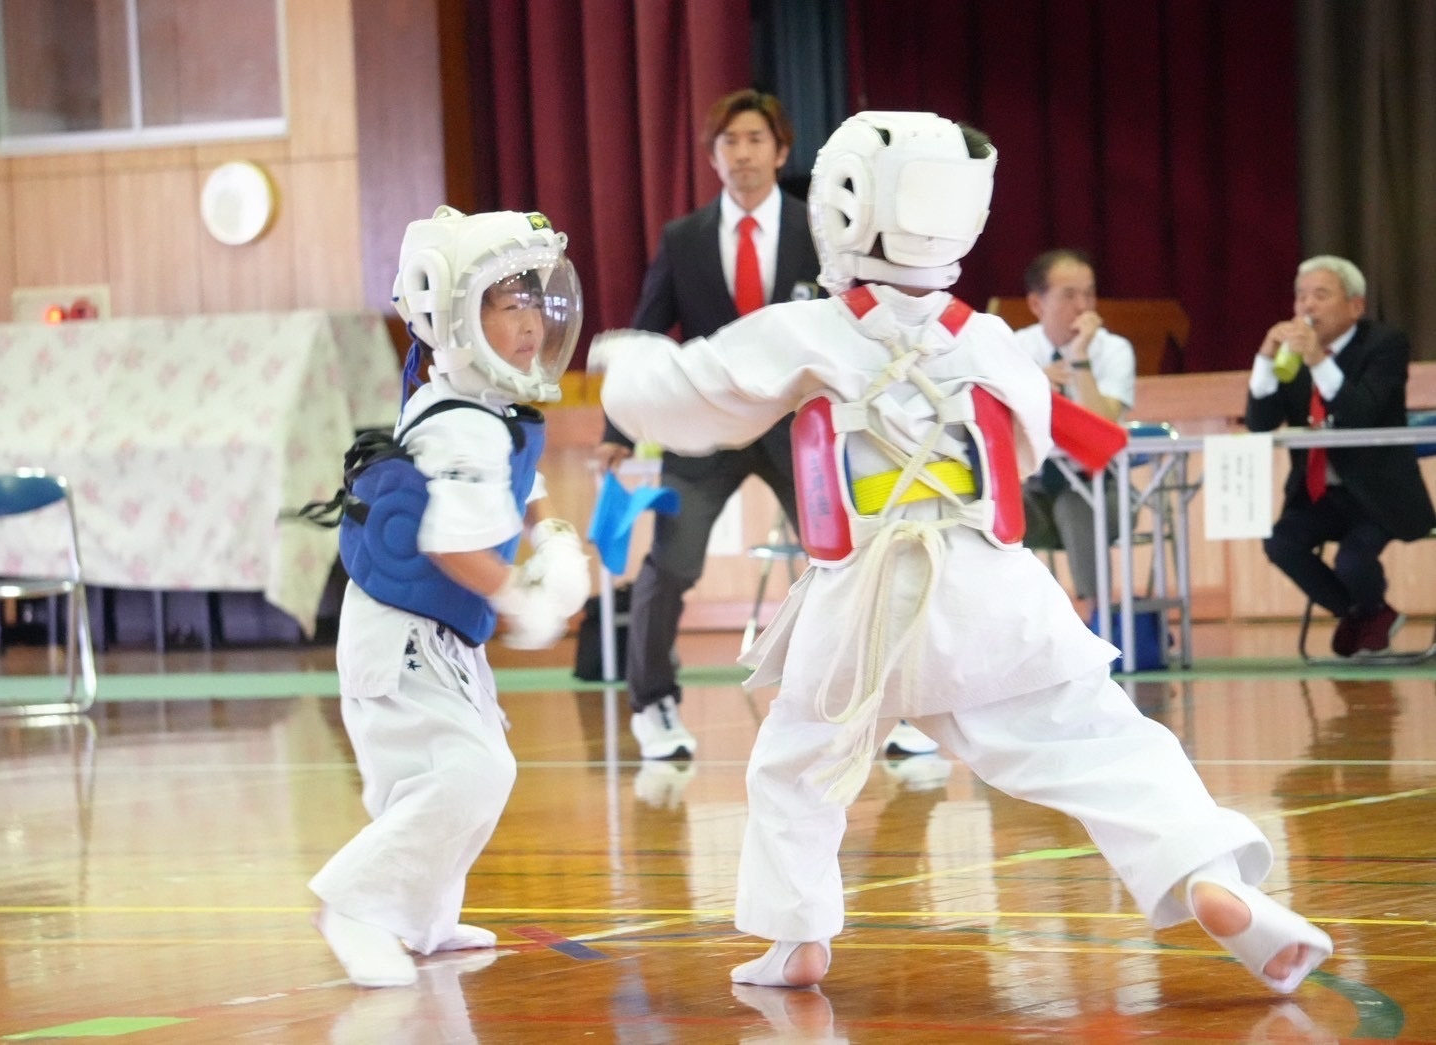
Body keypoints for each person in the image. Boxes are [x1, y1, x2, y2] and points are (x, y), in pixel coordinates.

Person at [592, 111, 1332, 995]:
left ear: (842, 204)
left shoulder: (807, 329)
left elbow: (689, 397)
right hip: (992, 588)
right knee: (1102, 741)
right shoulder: (986, 337)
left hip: (861, 603)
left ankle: (796, 940)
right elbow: (1020, 454)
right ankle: (1210, 873)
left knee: (795, 765)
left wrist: (621, 359)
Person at [308, 206, 591, 987]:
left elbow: (516, 480)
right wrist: (520, 597)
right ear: (456, 314)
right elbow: (449, 540)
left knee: (457, 770)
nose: (530, 320)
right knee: (466, 774)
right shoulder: (458, 422)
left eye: (534, 298)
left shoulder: (483, 405)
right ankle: (355, 906)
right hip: (403, 639)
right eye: (507, 302)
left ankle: (424, 920)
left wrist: (550, 532)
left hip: (431, 638)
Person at [593, 89, 824, 762]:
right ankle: (653, 702)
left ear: (780, 151)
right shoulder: (683, 239)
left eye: (755, 139)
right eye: (729, 141)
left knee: (845, 558)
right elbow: (641, 331)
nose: (742, 153)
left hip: (793, 426)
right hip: (704, 426)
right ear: (712, 156)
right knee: (672, 562)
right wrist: (617, 425)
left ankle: (884, 704)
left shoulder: (819, 231)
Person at [1245, 256, 1436, 657]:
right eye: (1300, 297)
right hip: (1320, 494)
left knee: (1352, 561)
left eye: (1320, 295)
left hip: (1378, 494)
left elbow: (1360, 414)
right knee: (1281, 544)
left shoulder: (1385, 344)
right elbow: (1260, 423)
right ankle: (1367, 613)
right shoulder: (1293, 356)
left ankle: (1363, 615)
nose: (1306, 307)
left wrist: (1317, 359)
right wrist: (1265, 357)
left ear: (1355, 306)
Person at [1016, 249, 1136, 614]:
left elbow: (1104, 429)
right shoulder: (1016, 348)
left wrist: (1081, 358)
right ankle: (1008, 622)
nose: (1083, 306)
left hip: (1105, 489)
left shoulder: (1113, 350)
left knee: (1076, 505)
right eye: (1069, 295)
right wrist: (1034, 388)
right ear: (1037, 303)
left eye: (1089, 293)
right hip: (1035, 489)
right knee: (987, 506)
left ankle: (1098, 619)